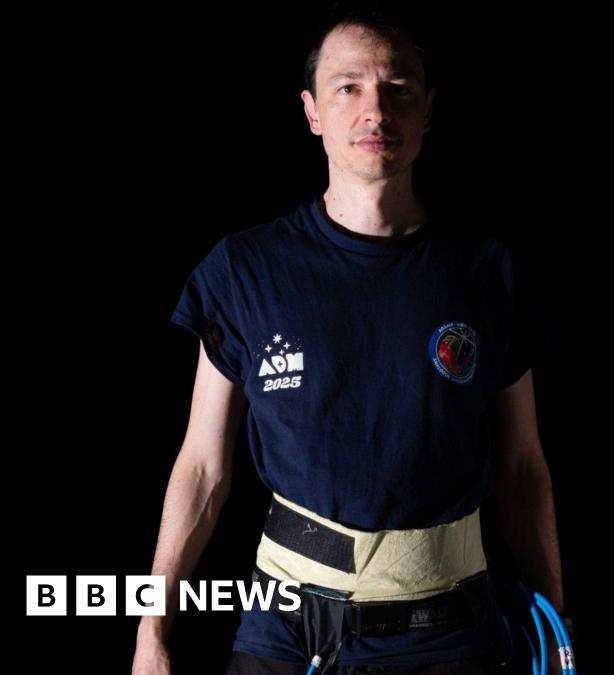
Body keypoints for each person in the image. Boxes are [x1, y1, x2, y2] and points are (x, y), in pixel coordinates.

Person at [131, 6, 562, 675]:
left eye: (398, 89)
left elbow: (522, 468)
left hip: (450, 636)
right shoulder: (244, 270)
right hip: (287, 635)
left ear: (427, 109)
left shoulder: (489, 274)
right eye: (348, 87)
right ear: (311, 111)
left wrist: (554, 624)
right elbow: (202, 469)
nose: (375, 111)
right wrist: (150, 632)